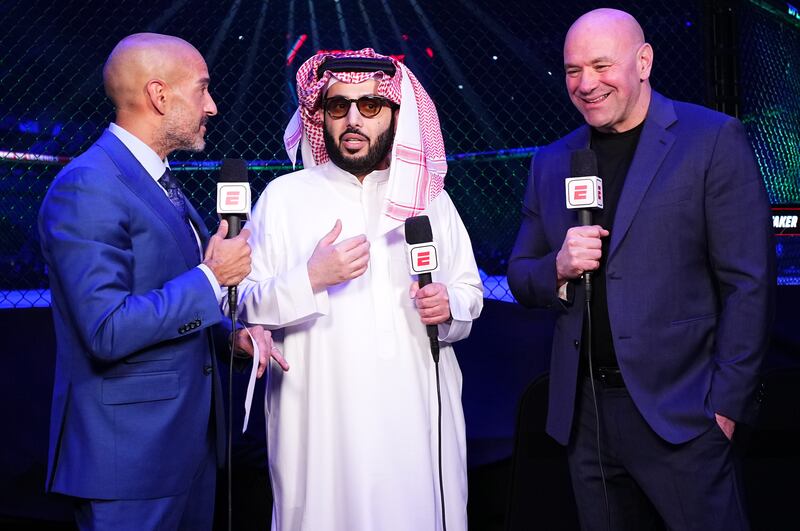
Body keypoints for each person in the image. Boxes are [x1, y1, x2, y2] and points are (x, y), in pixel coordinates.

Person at [508, 8, 774, 531]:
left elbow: (749, 284)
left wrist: (725, 408)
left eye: (601, 65)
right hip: (585, 420)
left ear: (644, 61)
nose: (586, 84)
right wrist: (558, 268)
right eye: (572, 71)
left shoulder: (711, 139)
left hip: (684, 416)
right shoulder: (553, 160)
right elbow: (520, 273)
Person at [38, 33, 285, 531]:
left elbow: (171, 305)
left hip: (183, 452)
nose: (212, 106)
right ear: (159, 95)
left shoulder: (157, 180)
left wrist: (230, 339)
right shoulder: (89, 184)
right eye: (202, 90)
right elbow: (106, 329)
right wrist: (212, 277)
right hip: (128, 464)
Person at [232, 49, 483, 531]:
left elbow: (469, 290)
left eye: (370, 106)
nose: (352, 119)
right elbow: (246, 306)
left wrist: (449, 306)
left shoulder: (430, 199)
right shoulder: (285, 198)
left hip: (414, 414)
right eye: (337, 106)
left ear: (395, 116)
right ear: (319, 115)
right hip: (321, 420)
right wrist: (310, 278)